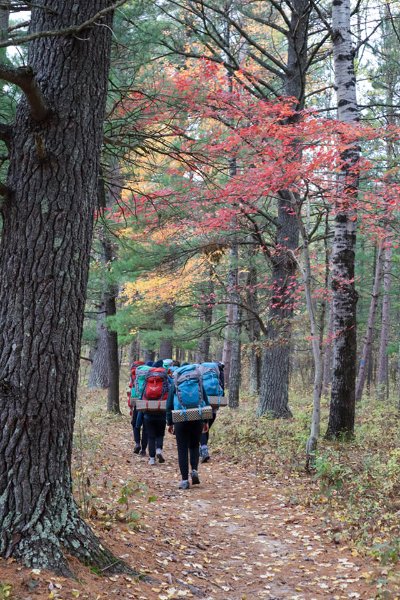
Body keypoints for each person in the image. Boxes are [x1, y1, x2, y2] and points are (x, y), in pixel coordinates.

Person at [166, 368, 210, 489]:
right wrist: (205, 421)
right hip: (197, 416)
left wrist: (169, 422)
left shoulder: (176, 381)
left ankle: (185, 480)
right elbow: (205, 400)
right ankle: (194, 470)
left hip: (180, 417)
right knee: (194, 446)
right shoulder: (198, 381)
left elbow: (169, 404)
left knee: (182, 449)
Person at [143, 359, 168, 466]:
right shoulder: (165, 377)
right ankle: (159, 450)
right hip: (161, 409)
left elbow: (143, 393)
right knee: (160, 433)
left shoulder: (148, 377)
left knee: (151, 436)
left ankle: (152, 458)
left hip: (148, 411)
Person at [200, 361, 224, 463]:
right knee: (206, 427)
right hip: (214, 407)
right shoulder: (217, 375)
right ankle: (203, 448)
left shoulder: (200, 374)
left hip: (204, 406)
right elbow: (222, 389)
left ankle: (203, 449)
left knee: (202, 428)